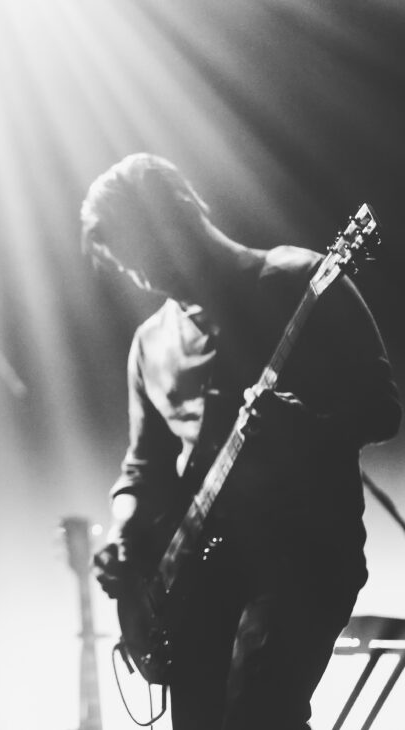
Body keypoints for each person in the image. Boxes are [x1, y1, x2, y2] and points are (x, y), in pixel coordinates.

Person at [81, 154, 400, 729]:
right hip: (197, 577)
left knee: (258, 714)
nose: (142, 278)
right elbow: (142, 471)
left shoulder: (301, 282)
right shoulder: (150, 342)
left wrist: (302, 421)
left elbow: (382, 409)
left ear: (180, 216)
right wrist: (125, 534)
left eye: (141, 253)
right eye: (127, 268)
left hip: (302, 556)